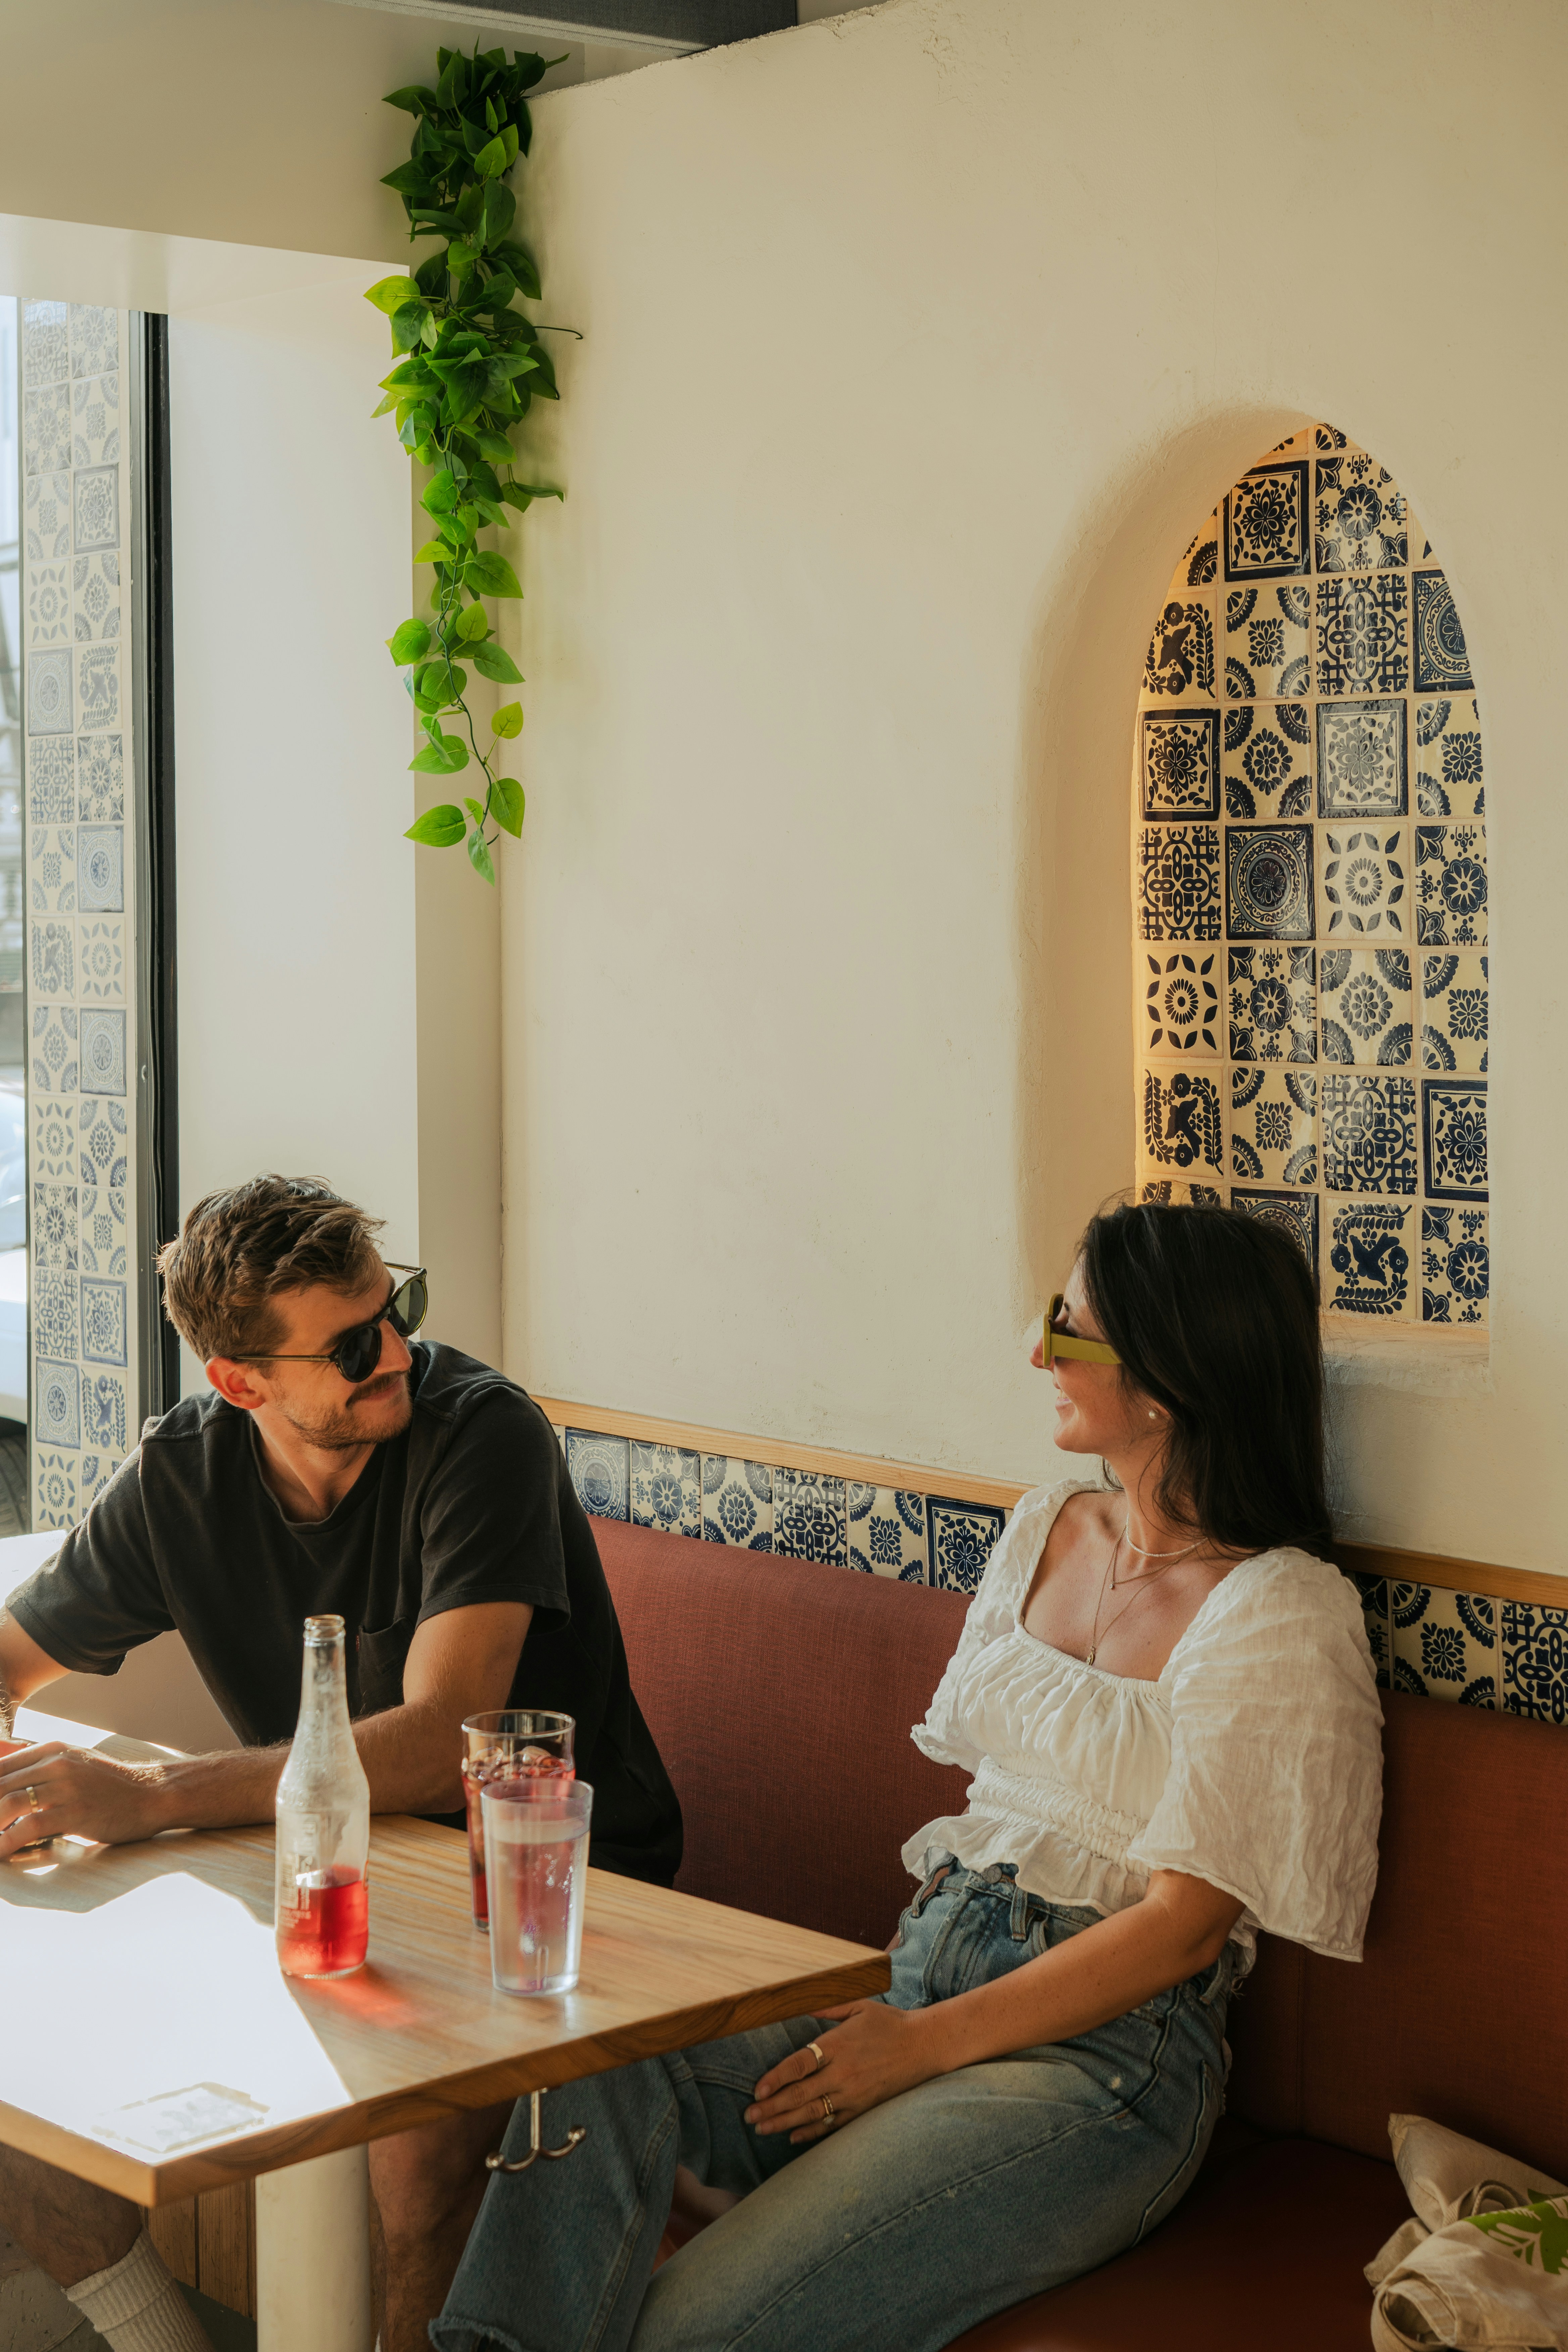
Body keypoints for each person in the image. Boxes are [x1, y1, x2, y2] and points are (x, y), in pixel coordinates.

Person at [432, 1199, 1383, 2352]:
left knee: (690, 2333)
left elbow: (1183, 1930)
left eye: (1070, 1329)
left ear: (1167, 1382)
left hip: (1101, 2066)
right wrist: (904, 1999)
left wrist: (920, 2045)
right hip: (924, 1969)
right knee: (579, 2070)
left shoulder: (1281, 1609)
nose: (1039, 1352)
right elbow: (995, 1820)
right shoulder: (1048, 1528)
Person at [0, 1174, 681, 2352]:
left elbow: (442, 1740)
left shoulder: (483, 1435)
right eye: (356, 1342)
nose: (399, 1355)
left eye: (398, 1308)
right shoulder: (183, 1475)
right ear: (240, 1382)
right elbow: (11, 1658)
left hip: (539, 1890)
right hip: (324, 1878)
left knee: (414, 2143)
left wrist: (148, 1799)